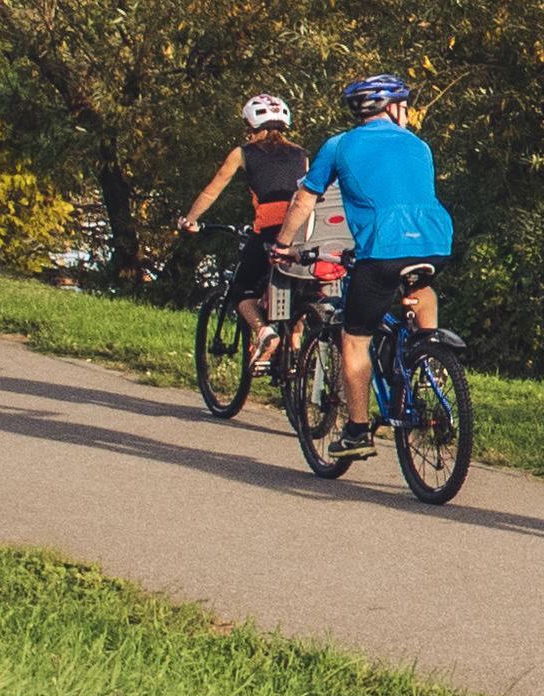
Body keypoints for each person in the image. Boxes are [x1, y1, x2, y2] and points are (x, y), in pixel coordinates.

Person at [280, 72, 455, 461]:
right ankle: (427, 359)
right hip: (435, 242)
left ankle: (358, 431)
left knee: (355, 338)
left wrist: (283, 245)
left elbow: (304, 201)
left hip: (382, 248)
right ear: (393, 109)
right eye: (405, 107)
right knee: (418, 288)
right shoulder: (419, 146)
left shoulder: (339, 145)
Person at [165, 93, 307, 370]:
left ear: (252, 127)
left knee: (241, 288)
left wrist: (190, 220)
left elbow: (212, 190)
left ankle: (264, 332)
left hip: (268, 232)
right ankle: (297, 357)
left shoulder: (243, 153)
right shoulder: (301, 154)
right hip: (302, 232)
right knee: (299, 294)